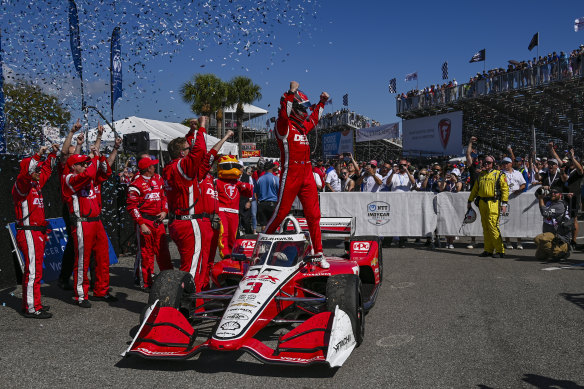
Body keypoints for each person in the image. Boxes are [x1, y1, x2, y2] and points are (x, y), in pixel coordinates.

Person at [264, 81, 330, 268]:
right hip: (291, 172)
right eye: (304, 108)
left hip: (307, 173)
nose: (307, 112)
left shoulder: (302, 127)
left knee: (313, 215)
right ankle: (261, 246)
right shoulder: (283, 126)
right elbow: (284, 113)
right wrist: (291, 92)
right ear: (295, 108)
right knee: (281, 212)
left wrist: (322, 102)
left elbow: (315, 119)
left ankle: (318, 253)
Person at [62, 152, 114, 307]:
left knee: (103, 257)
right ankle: (81, 294)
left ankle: (101, 290)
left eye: (86, 163)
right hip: (82, 223)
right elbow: (90, 173)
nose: (85, 166)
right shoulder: (69, 178)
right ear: (73, 166)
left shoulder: (88, 177)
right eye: (82, 164)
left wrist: (101, 157)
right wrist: (95, 160)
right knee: (82, 259)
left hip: (96, 222)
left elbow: (106, 173)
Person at [13, 145, 58, 318]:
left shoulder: (35, 183)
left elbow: (48, 168)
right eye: (35, 169)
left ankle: (34, 303)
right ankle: (32, 308)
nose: (39, 171)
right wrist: (39, 154)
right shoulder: (21, 183)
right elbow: (28, 170)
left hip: (37, 233)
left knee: (36, 270)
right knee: (33, 271)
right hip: (28, 232)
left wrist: (52, 153)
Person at [163, 117, 208, 280]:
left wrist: (192, 131)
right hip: (189, 222)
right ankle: (190, 302)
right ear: (182, 153)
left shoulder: (169, 167)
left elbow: (188, 150)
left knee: (188, 263)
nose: (190, 150)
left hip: (177, 223)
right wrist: (202, 128)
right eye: (187, 149)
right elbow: (200, 150)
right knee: (193, 268)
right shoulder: (183, 167)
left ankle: (189, 300)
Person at [193, 130, 235, 291]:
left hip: (213, 220)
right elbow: (210, 155)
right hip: (203, 220)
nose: (214, 164)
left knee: (210, 257)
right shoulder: (199, 174)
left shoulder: (211, 178)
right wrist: (225, 137)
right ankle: (198, 288)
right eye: (213, 162)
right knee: (202, 257)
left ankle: (206, 285)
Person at [127, 156, 173, 291]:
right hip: (145, 221)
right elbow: (132, 207)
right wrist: (141, 224)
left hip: (158, 221)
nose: (155, 167)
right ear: (148, 168)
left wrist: (165, 211)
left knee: (163, 251)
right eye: (153, 165)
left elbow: (164, 196)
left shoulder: (158, 179)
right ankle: (146, 283)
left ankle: (169, 278)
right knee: (146, 253)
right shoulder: (135, 184)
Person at [467, 155, 510, 258]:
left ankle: (500, 251)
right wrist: (470, 200)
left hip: (493, 202)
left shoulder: (499, 174)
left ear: (493, 164)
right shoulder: (481, 175)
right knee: (485, 227)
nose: (486, 164)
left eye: (489, 162)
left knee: (493, 226)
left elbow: (505, 189)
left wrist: (504, 204)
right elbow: (475, 189)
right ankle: (488, 250)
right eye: (485, 162)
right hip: (482, 203)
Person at [216, 154, 253, 259]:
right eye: (228, 166)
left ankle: (232, 254)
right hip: (222, 211)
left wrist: (244, 186)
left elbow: (250, 192)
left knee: (233, 235)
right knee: (224, 233)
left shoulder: (238, 183)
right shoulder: (216, 182)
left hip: (234, 212)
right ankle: (225, 255)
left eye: (235, 166)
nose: (232, 169)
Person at [535, 188, 570, 261]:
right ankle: (553, 253)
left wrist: (541, 199)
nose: (552, 194)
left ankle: (560, 253)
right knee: (539, 256)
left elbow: (545, 213)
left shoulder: (560, 205)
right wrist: (541, 190)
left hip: (559, 238)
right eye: (551, 192)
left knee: (538, 239)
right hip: (551, 236)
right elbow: (537, 194)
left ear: (560, 195)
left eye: (555, 192)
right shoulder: (550, 201)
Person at [256, 161, 280, 231]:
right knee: (272, 224)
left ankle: (264, 239)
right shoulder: (275, 178)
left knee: (263, 224)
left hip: (262, 203)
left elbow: (256, 192)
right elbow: (279, 191)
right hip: (272, 203)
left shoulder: (260, 179)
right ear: (272, 168)